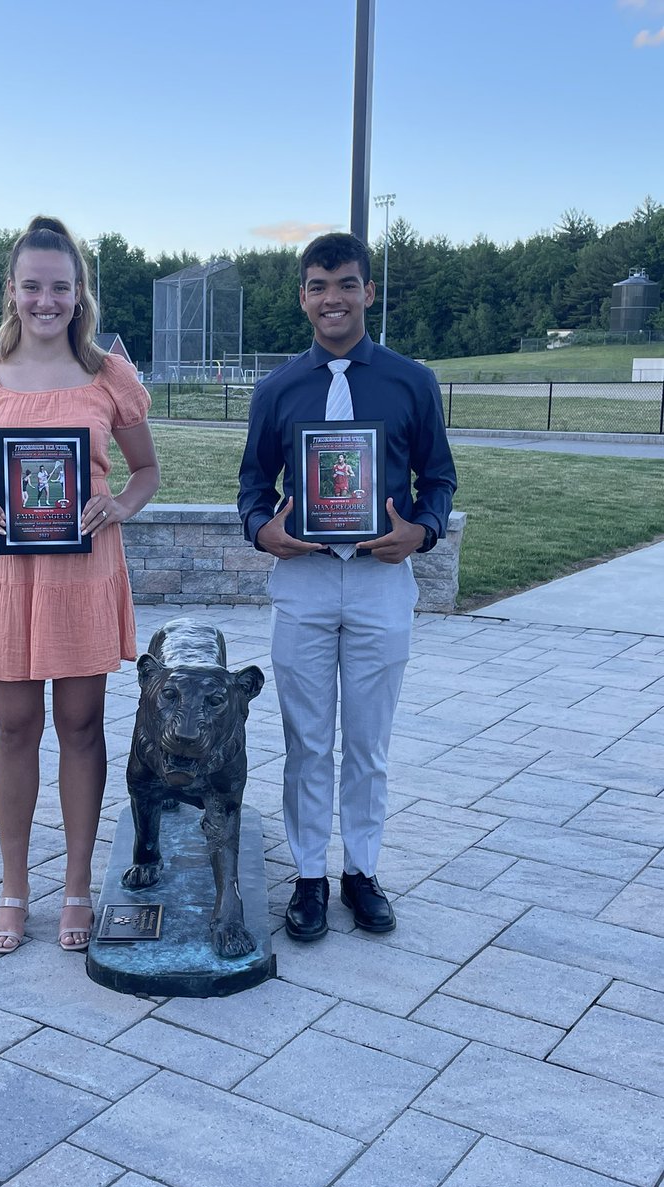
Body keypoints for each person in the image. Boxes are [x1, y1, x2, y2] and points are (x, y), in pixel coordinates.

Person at [0, 216, 160, 955]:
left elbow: (146, 470)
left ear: (79, 293)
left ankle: (76, 888)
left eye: (59, 287)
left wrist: (120, 504)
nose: (45, 300)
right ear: (11, 289)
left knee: (81, 725)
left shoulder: (109, 376)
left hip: (82, 572)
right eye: (32, 286)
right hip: (5, 571)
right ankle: (13, 890)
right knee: (13, 728)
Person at [238, 232, 456, 942]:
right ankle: (308, 875)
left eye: (346, 284)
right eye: (318, 286)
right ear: (302, 297)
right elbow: (252, 485)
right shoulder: (277, 389)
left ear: (368, 290)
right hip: (303, 581)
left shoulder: (411, 381)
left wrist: (422, 531)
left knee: (367, 742)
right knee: (306, 740)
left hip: (379, 582)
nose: (333, 299)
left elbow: (439, 479)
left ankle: (361, 871)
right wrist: (262, 529)